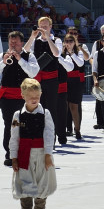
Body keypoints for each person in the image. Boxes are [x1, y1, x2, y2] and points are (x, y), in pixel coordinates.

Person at [9, 78, 57, 209]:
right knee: (25, 184)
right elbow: (14, 137)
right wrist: (14, 157)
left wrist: (48, 154)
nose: (34, 99)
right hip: (24, 154)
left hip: (42, 153)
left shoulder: (45, 114)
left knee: (43, 185)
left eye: (37, 96)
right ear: (23, 95)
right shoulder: (17, 115)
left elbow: (49, 134)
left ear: (41, 94)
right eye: (30, 97)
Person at [0, 30, 40, 166]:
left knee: (25, 124)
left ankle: (25, 153)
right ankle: (10, 154)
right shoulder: (2, 55)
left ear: (22, 43)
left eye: (16, 43)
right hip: (7, 97)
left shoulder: (29, 56)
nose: (13, 45)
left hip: (25, 97)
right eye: (11, 42)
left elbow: (33, 72)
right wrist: (3, 63)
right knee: (10, 124)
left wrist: (20, 60)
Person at [26, 16, 66, 147]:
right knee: (38, 108)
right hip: (38, 79)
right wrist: (32, 37)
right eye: (41, 26)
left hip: (52, 79)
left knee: (51, 109)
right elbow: (25, 51)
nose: (43, 28)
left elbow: (56, 54)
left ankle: (51, 139)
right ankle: (39, 138)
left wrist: (48, 38)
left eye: (46, 26)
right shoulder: (35, 41)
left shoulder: (57, 40)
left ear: (50, 27)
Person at [61, 33, 87, 140]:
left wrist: (72, 53)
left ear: (74, 42)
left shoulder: (78, 52)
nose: (68, 43)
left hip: (75, 81)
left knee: (74, 107)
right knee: (64, 107)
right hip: (64, 80)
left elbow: (80, 63)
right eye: (66, 41)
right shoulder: (61, 53)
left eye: (70, 41)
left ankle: (77, 129)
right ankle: (64, 130)